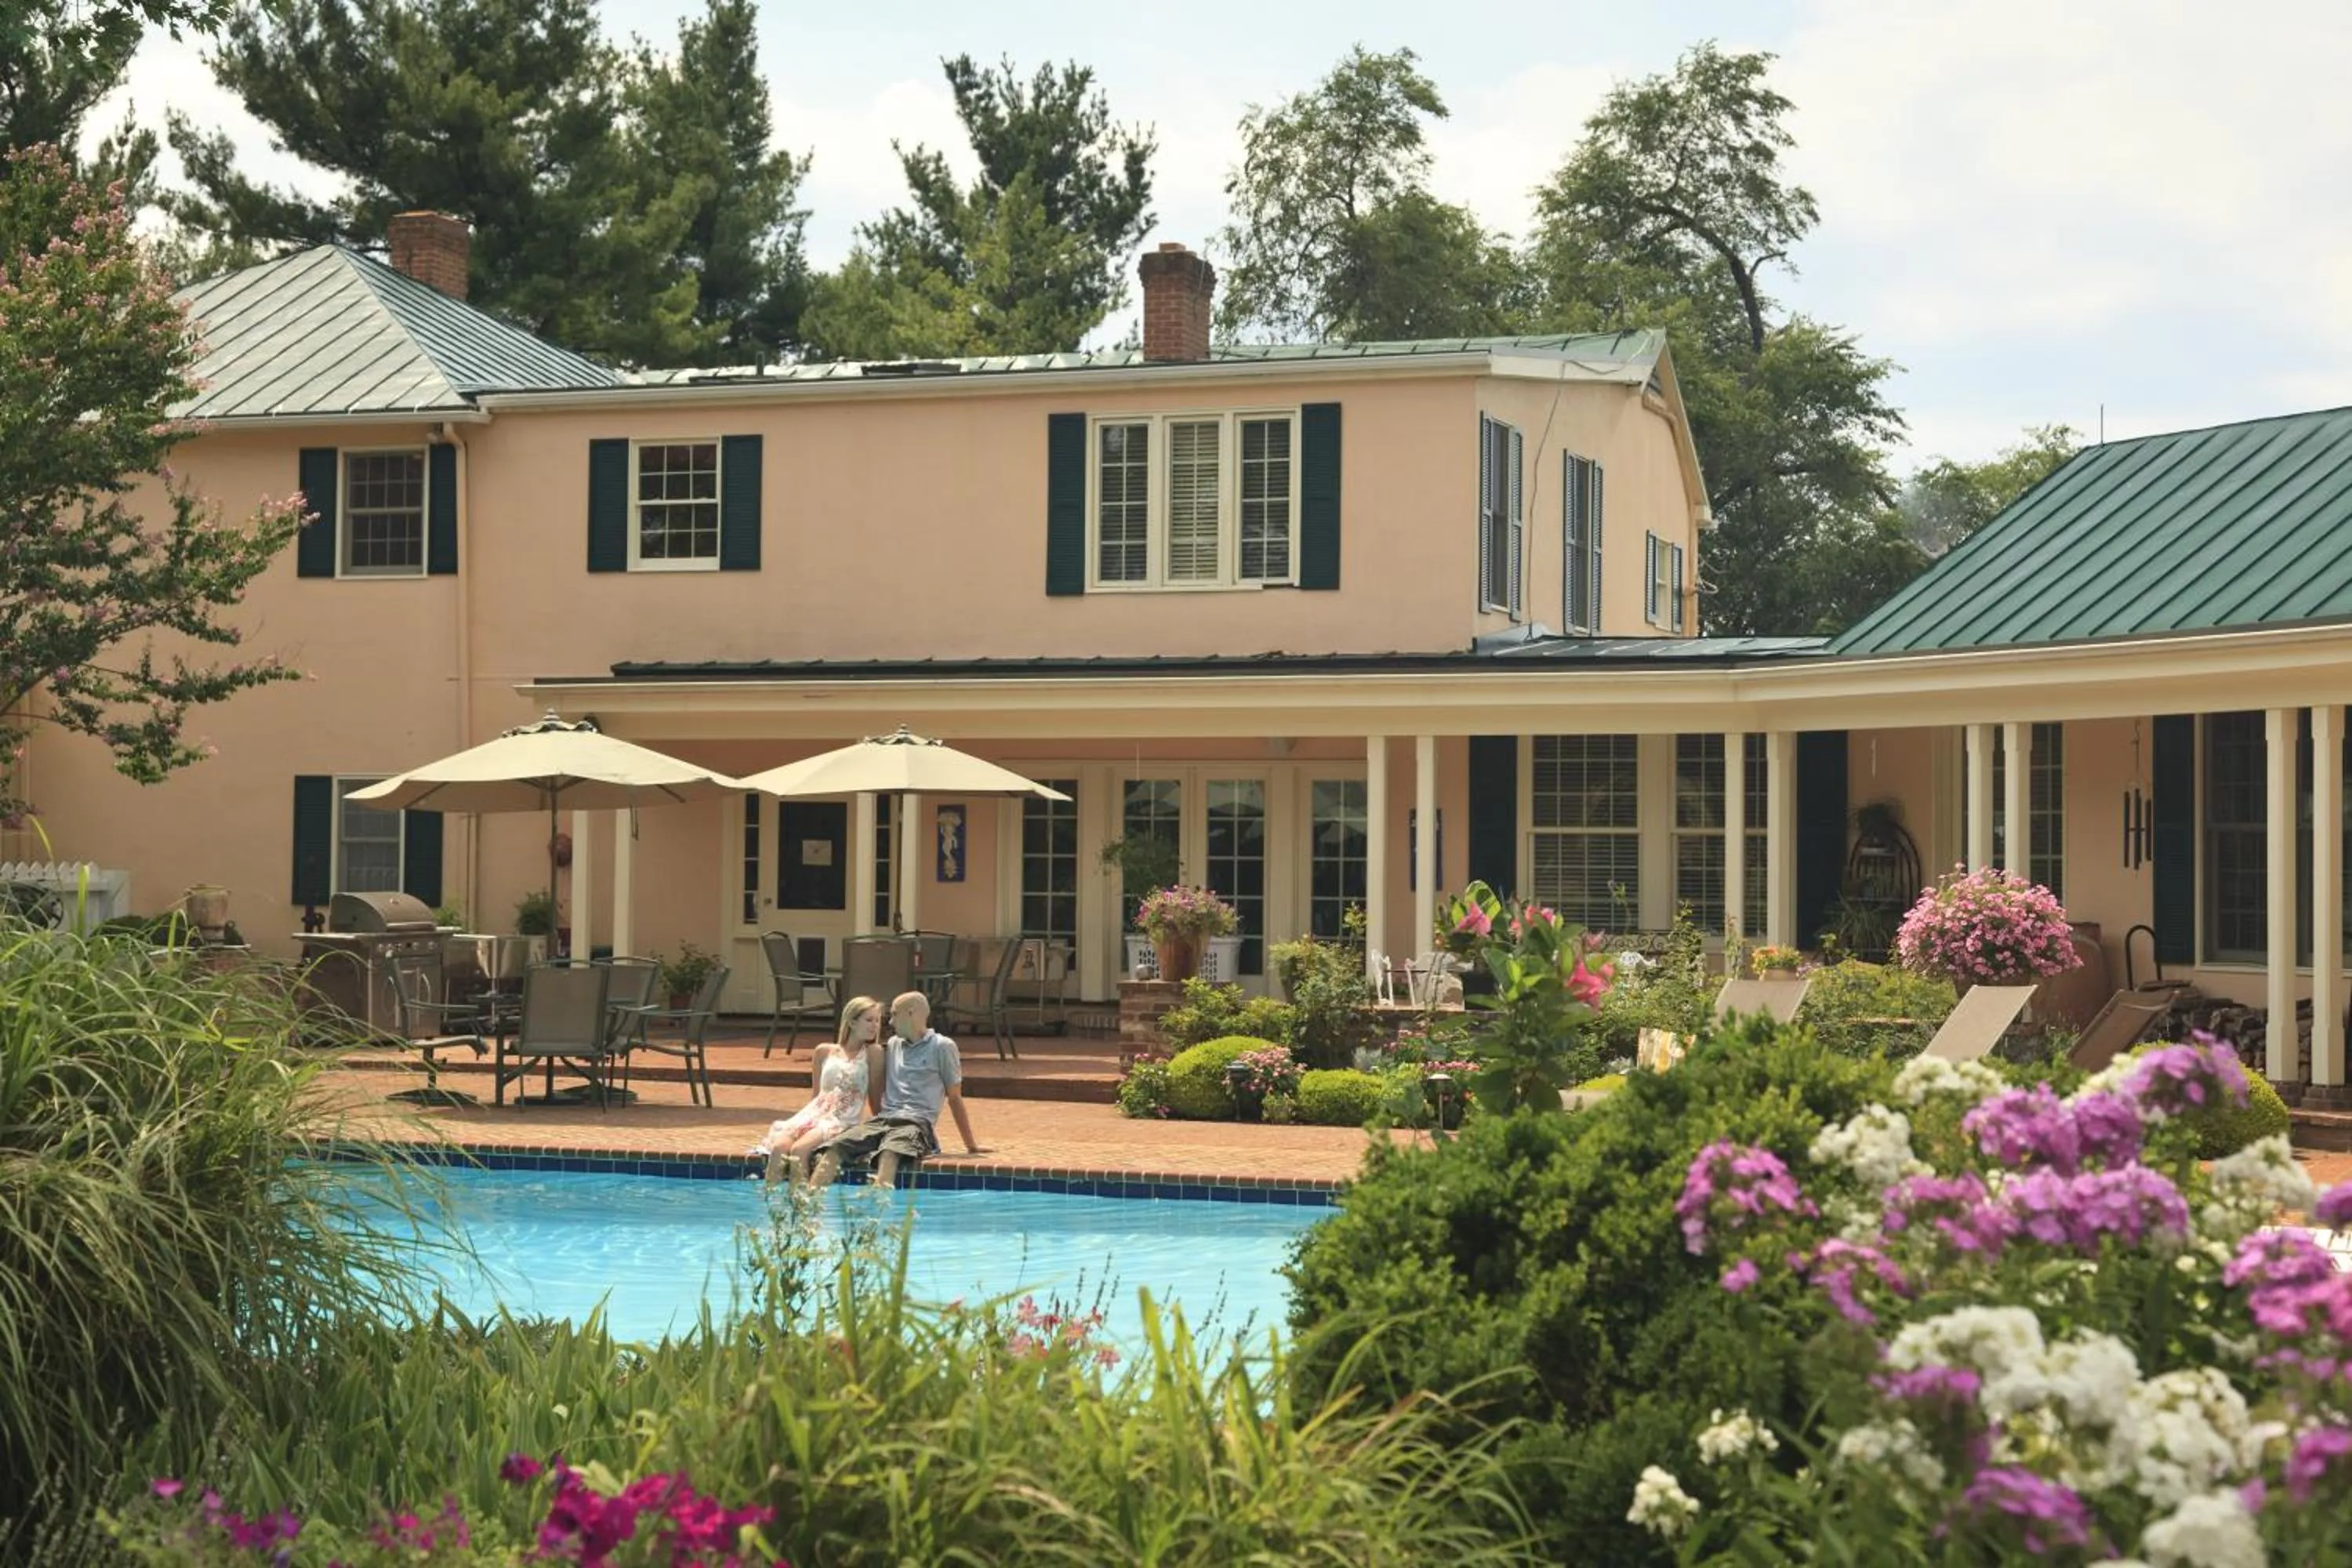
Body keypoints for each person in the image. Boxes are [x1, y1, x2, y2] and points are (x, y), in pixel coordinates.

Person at [809, 990, 983, 1189]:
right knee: (835, 1148)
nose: (890, 1022)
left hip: (916, 1123)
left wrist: (971, 1146)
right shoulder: (893, 1045)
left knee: (889, 1153)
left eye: (894, 1014)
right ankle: (809, 1203)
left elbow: (955, 1097)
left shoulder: (942, 1046)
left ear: (911, 1013)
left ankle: (880, 1203)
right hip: (883, 1120)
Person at [751, 996, 880, 1185]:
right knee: (779, 1148)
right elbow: (817, 1095)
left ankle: (802, 1202)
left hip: (842, 1119)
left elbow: (875, 1099)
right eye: (869, 1020)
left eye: (877, 1020)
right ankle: (771, 1200)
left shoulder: (873, 1053)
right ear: (852, 1022)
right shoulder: (823, 1051)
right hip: (815, 1114)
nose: (875, 1025)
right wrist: (808, 1123)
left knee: (800, 1150)